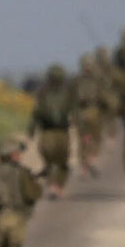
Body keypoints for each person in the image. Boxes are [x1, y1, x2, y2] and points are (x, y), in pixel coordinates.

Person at [31, 64, 74, 197]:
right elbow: (37, 113)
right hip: (52, 131)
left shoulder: (65, 93)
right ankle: (55, 185)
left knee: (60, 160)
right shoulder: (44, 93)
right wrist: (30, 131)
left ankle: (56, 185)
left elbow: (35, 114)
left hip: (56, 131)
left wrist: (30, 131)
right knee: (53, 160)